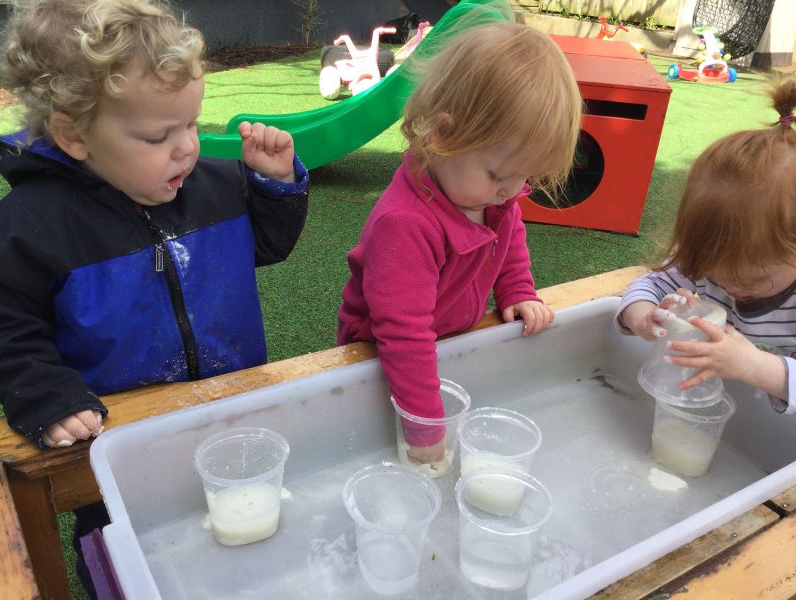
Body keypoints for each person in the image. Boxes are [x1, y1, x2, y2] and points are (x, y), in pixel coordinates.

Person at [0, 0, 307, 594]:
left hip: (228, 416)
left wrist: (275, 187)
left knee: (244, 548)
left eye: (192, 123)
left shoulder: (211, 187)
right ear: (74, 134)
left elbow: (267, 247)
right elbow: (5, 326)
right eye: (158, 134)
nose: (187, 147)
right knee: (132, 561)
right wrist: (44, 394)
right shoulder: (29, 229)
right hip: (118, 449)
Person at [336, 20, 582, 465]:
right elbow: (405, 338)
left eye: (524, 174)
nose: (512, 190)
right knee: (371, 450)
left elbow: (509, 233)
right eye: (498, 174)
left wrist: (517, 289)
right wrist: (427, 434)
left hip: (448, 339)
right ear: (444, 135)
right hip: (378, 359)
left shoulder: (489, 194)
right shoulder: (405, 224)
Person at [617, 78, 796, 410]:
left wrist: (756, 366)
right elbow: (649, 284)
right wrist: (645, 318)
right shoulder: (708, 258)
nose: (728, 286)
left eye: (752, 280)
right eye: (715, 276)